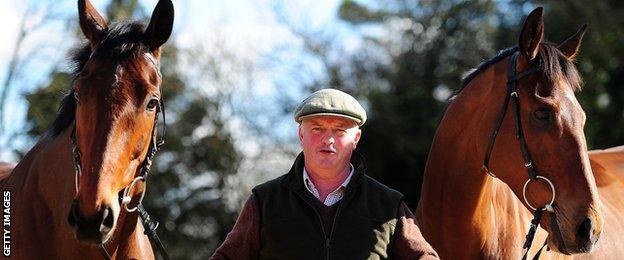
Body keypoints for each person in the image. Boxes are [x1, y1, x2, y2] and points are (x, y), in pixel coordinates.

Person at [211, 89, 439, 259]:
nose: (328, 139)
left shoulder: (388, 204)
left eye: (340, 130)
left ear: (356, 139)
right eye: (317, 128)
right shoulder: (265, 201)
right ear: (301, 134)